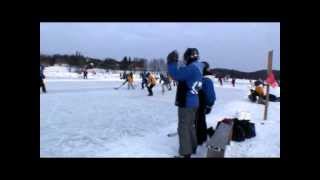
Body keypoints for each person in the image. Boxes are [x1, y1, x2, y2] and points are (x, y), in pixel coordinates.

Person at [167, 48, 204, 158]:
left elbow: (176, 74)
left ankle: (185, 153)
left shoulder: (192, 68)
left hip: (187, 102)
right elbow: (183, 74)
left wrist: (171, 62)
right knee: (190, 126)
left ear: (188, 57)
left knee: (183, 127)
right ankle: (192, 147)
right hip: (194, 101)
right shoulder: (198, 68)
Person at [195, 62, 216, 145]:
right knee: (200, 120)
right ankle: (201, 137)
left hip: (203, 104)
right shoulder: (202, 78)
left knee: (199, 120)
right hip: (198, 104)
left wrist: (209, 105)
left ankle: (199, 138)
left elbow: (210, 95)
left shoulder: (206, 79)